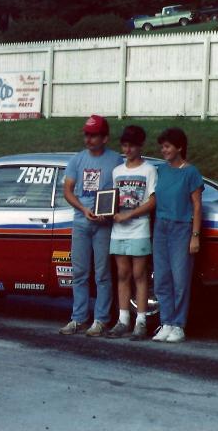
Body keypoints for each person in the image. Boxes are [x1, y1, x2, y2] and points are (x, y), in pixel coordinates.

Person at [59, 115, 123, 337]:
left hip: (104, 224)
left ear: (105, 138)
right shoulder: (77, 160)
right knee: (79, 272)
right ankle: (78, 318)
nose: (89, 139)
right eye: (87, 134)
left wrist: (111, 211)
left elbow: (122, 190)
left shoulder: (116, 160)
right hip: (81, 221)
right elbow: (67, 190)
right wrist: (83, 209)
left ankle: (101, 319)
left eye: (94, 135)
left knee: (103, 273)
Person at [152, 127, 203, 343]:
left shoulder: (191, 172)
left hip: (182, 228)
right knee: (161, 278)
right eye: (162, 147)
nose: (164, 150)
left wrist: (195, 235)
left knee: (180, 279)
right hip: (160, 227)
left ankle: (179, 325)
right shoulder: (161, 171)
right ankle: (166, 322)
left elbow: (197, 207)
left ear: (179, 147)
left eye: (167, 146)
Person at [105, 125, 157, 340]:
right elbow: (110, 199)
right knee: (122, 274)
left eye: (131, 146)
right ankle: (123, 319)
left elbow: (153, 201)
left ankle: (141, 321)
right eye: (124, 145)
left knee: (140, 275)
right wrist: (107, 212)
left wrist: (130, 214)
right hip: (118, 231)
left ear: (140, 146)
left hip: (139, 229)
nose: (127, 150)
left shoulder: (149, 170)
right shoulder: (117, 171)